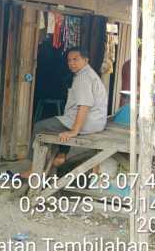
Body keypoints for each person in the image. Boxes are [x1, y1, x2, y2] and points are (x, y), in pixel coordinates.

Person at [18, 47, 108, 178]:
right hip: (96, 121)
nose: (71, 63)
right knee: (61, 125)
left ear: (86, 60)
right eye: (69, 60)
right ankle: (61, 155)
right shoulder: (88, 74)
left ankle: (34, 168)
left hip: (88, 121)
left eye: (75, 59)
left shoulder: (83, 78)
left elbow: (84, 106)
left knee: (40, 127)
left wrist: (74, 131)